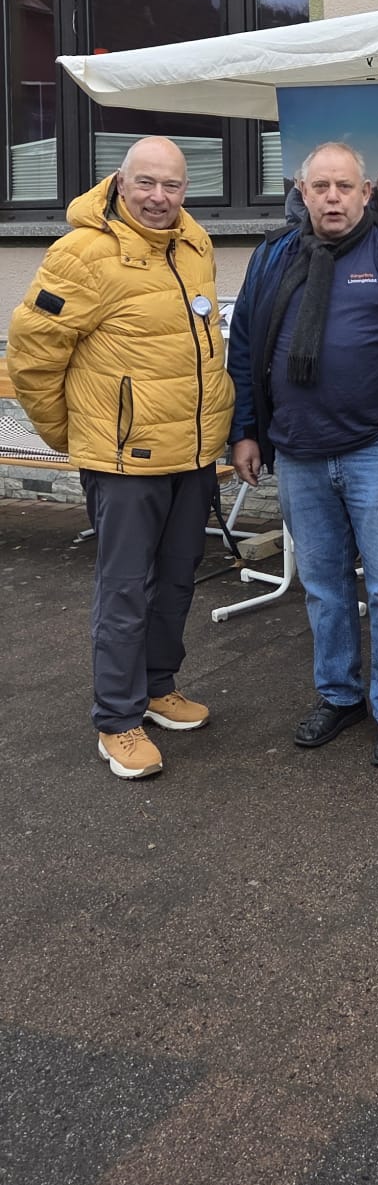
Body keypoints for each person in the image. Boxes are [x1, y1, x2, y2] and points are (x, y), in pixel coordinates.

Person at [8, 137, 233, 780]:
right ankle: (116, 718)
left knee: (178, 578)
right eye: (147, 183)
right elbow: (32, 354)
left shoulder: (193, 243)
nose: (159, 197)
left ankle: (158, 686)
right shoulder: (81, 253)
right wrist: (72, 433)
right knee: (126, 589)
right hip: (123, 461)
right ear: (121, 181)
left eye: (172, 185)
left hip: (191, 452)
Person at [228, 142, 378, 767]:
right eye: (321, 187)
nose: (333, 198)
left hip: (376, 450)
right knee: (322, 585)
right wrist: (245, 429)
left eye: (345, 187)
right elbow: (245, 346)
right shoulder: (273, 255)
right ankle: (339, 695)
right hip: (298, 451)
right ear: (302, 192)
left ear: (367, 193)